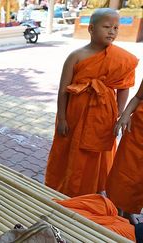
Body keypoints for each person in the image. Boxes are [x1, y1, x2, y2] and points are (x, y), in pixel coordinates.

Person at [44, 8, 138, 197]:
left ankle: (94, 187)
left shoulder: (121, 59)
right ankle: (68, 184)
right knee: (71, 147)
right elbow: (63, 91)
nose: (112, 31)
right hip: (75, 113)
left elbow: (124, 87)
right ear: (91, 28)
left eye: (116, 28)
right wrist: (61, 118)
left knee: (96, 153)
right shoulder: (76, 56)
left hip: (103, 114)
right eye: (106, 27)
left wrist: (118, 113)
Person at [106, 78, 143, 217]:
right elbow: (138, 97)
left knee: (139, 180)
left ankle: (129, 211)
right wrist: (126, 114)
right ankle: (115, 209)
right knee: (124, 172)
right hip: (137, 131)